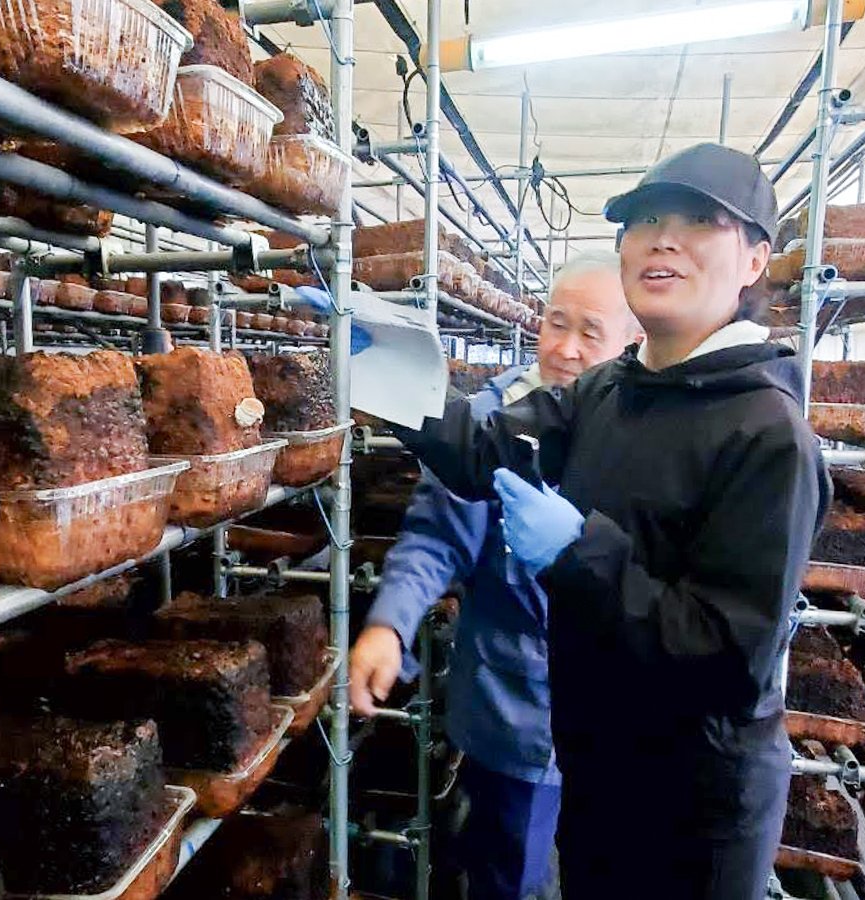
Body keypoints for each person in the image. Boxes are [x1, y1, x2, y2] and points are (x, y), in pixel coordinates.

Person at [392, 143, 830, 900]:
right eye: (646, 221)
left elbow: (726, 656)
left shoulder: (768, 435)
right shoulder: (610, 391)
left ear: (755, 260)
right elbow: (487, 446)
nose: (663, 239)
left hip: (693, 807)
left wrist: (578, 554)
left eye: (699, 221)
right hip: (595, 760)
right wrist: (388, 375)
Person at [348, 253, 640, 900]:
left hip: (613, 716)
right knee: (511, 874)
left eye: (590, 332)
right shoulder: (491, 418)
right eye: (555, 323)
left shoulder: (643, 438)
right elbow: (435, 538)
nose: (565, 348)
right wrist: (390, 624)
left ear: (631, 343)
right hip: (513, 713)